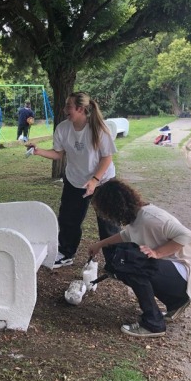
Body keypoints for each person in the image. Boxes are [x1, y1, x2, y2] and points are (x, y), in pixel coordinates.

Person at [88, 179, 191, 338]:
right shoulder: (138, 217)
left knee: (131, 263)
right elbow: (127, 235)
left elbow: (186, 235)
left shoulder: (151, 217)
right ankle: (175, 302)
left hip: (190, 274)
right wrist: (100, 244)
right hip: (178, 275)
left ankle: (154, 324)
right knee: (122, 263)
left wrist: (158, 253)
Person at [26, 92, 120, 268]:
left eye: (68, 106)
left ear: (81, 109)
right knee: (68, 219)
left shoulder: (99, 129)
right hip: (75, 180)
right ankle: (66, 253)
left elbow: (107, 158)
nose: (64, 109)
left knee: (108, 223)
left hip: (103, 181)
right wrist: (38, 151)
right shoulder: (63, 128)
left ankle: (115, 261)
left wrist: (94, 180)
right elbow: (58, 154)